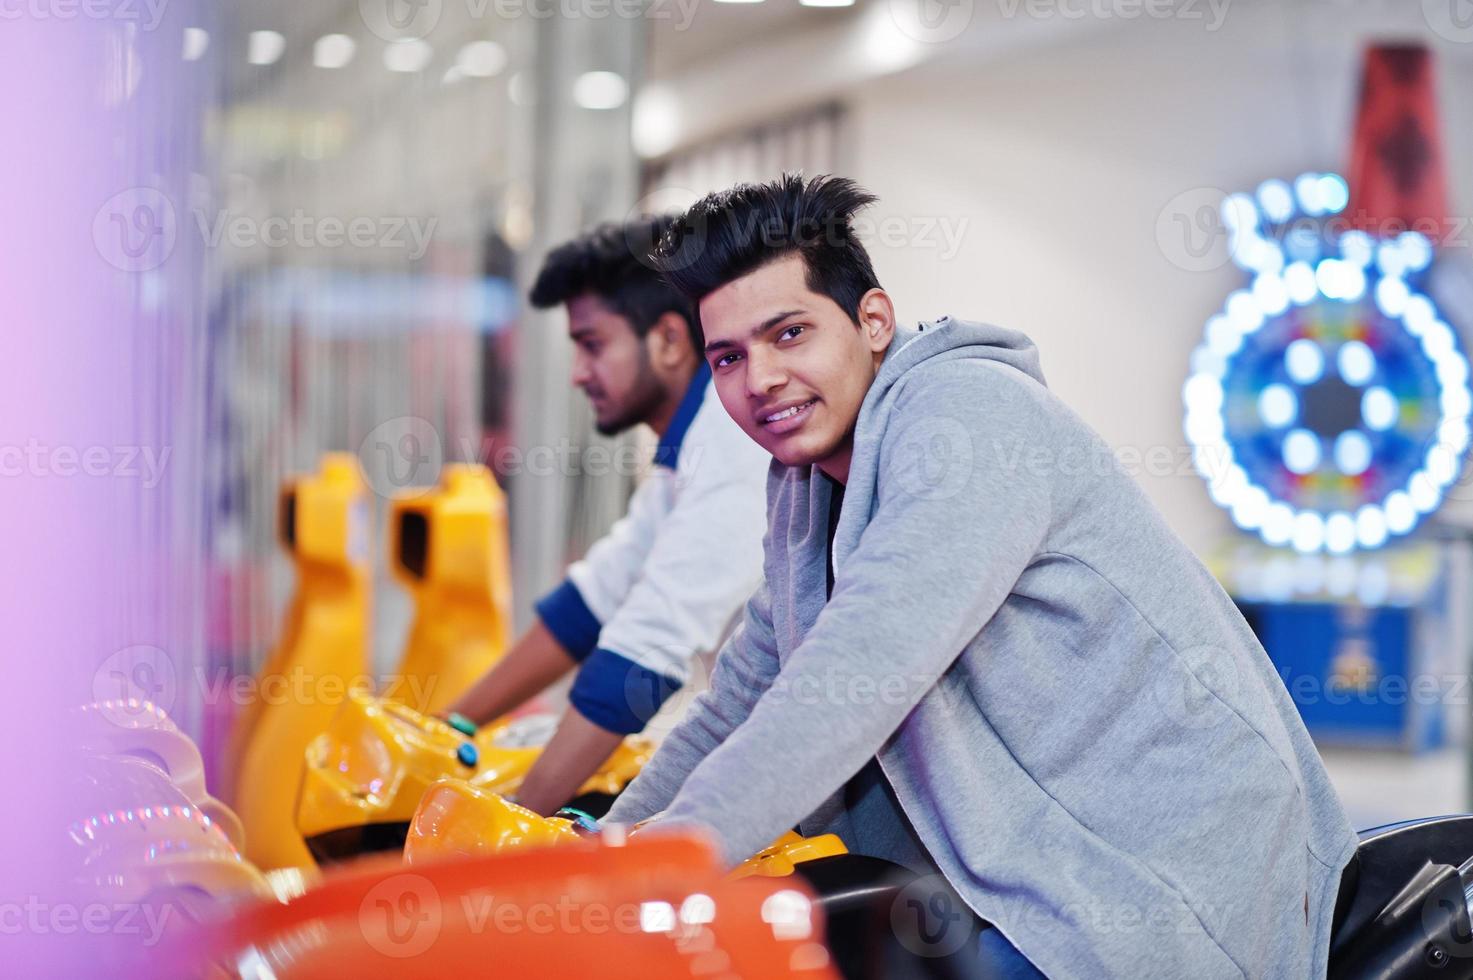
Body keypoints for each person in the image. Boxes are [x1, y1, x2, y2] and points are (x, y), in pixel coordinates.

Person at [604, 175, 1359, 978]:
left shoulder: (964, 418)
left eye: (788, 334)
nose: (758, 380)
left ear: (872, 321)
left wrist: (652, 871)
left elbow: (849, 678)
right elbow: (741, 699)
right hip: (1031, 872)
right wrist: (598, 860)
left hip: (1158, 880)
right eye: (728, 358)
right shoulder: (806, 490)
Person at [445, 217, 769, 816]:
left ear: (670, 341)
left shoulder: (731, 440)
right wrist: (450, 727)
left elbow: (651, 643)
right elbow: (595, 600)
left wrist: (514, 820)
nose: (577, 372)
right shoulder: (685, 451)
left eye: (592, 344)